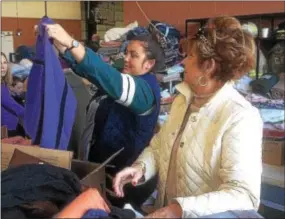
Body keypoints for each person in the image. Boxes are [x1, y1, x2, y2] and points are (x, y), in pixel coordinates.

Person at [113, 16, 263, 218]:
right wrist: (140, 167)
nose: (183, 61)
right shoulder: (183, 100)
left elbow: (244, 194)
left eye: (190, 56)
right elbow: (159, 145)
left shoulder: (240, 117)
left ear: (208, 67)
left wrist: (180, 209)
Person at [37, 22, 163, 207]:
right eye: (126, 53)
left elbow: (108, 77)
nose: (126, 58)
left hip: (124, 182)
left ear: (149, 64)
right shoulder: (125, 80)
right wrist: (58, 44)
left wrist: (72, 43)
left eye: (133, 55)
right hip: (103, 170)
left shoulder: (144, 91)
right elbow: (95, 74)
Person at [1, 52, 25, 137]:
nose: (3, 67)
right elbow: (11, 104)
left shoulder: (3, 84)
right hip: (6, 130)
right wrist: (29, 113)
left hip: (11, 127)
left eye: (4, 63)